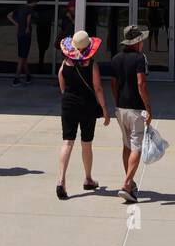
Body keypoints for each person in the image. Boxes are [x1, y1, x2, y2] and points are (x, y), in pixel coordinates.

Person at [56, 30, 111, 199]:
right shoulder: (92, 65)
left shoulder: (65, 63)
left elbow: (62, 85)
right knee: (86, 143)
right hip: (87, 105)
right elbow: (98, 88)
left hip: (68, 104)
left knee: (67, 142)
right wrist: (104, 109)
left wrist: (69, 97)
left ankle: (61, 181)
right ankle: (88, 178)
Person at [108, 25, 152, 205]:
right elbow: (141, 83)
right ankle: (127, 184)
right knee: (136, 147)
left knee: (126, 145)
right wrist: (148, 107)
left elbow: (113, 83)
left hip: (121, 107)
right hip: (136, 108)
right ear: (137, 42)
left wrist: (117, 100)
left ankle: (130, 182)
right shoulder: (139, 58)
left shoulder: (116, 58)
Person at [7, 0, 38, 85]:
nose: (36, 4)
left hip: (19, 34)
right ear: (33, 2)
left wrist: (16, 24)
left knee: (23, 55)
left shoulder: (20, 7)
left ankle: (28, 76)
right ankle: (16, 78)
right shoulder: (30, 9)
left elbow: (9, 15)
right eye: (35, 2)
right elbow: (28, 19)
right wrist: (27, 28)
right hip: (26, 35)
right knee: (22, 56)